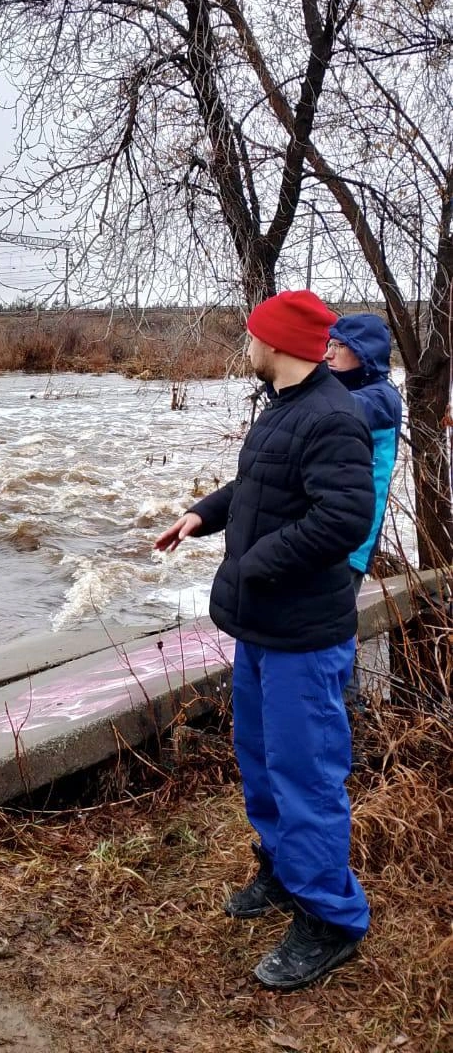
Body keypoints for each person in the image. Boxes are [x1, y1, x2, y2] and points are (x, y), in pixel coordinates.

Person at [155, 290, 375, 991]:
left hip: (301, 637)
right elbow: (258, 486)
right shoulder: (285, 407)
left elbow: (342, 519)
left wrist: (256, 564)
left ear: (273, 343)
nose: (245, 345)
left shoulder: (331, 417)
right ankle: (283, 874)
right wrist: (202, 515)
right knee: (261, 762)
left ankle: (331, 920)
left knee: (306, 778)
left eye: (250, 335)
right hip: (262, 629)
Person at [324, 314, 403, 593]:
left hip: (352, 539)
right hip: (331, 530)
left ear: (364, 351)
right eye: (328, 344)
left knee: (332, 627)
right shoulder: (346, 389)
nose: (328, 354)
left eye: (338, 346)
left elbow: (335, 410)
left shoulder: (381, 398)